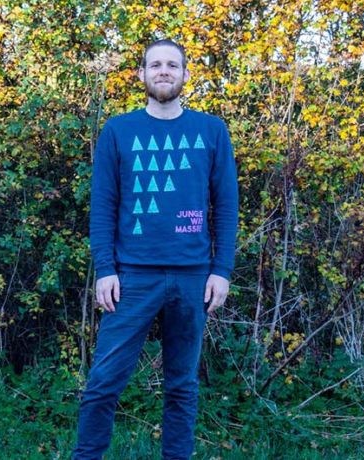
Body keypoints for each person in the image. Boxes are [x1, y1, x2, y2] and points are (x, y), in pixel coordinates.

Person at [74, 39, 239, 460]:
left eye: (172, 65)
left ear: (185, 75)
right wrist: (104, 268)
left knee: (182, 386)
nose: (163, 71)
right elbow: (103, 206)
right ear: (141, 75)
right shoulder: (118, 131)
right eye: (155, 65)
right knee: (103, 383)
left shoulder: (211, 131)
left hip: (192, 278)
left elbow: (226, 206)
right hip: (131, 277)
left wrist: (221, 270)